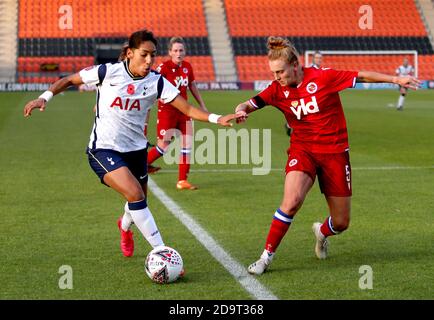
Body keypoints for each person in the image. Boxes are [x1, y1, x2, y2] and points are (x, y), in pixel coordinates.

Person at [23, 29, 241, 259]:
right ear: (129, 53)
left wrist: (217, 118)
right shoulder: (107, 72)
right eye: (144, 55)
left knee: (138, 201)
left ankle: (124, 227)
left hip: (136, 150)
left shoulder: (157, 81)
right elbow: (69, 80)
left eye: (152, 56)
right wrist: (43, 97)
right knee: (136, 195)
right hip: (103, 149)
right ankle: (162, 253)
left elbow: (186, 108)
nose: (149, 61)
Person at [234, 37, 420, 275]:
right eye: (273, 72)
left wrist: (395, 79)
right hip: (303, 150)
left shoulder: (324, 77)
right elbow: (249, 104)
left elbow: (360, 75)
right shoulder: (276, 90)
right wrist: (240, 110)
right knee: (291, 202)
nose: (276, 77)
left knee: (341, 222)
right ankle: (265, 257)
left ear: (295, 65)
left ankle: (322, 232)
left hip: (335, 153)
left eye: (280, 71)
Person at [146, 37, 208, 190]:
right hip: (167, 111)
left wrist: (202, 105)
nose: (178, 53)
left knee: (187, 144)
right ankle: (142, 165)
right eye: (175, 50)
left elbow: (192, 85)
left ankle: (182, 181)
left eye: (181, 50)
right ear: (169, 52)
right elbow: (153, 86)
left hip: (184, 111)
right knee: (163, 147)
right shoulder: (163, 68)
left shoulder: (187, 67)